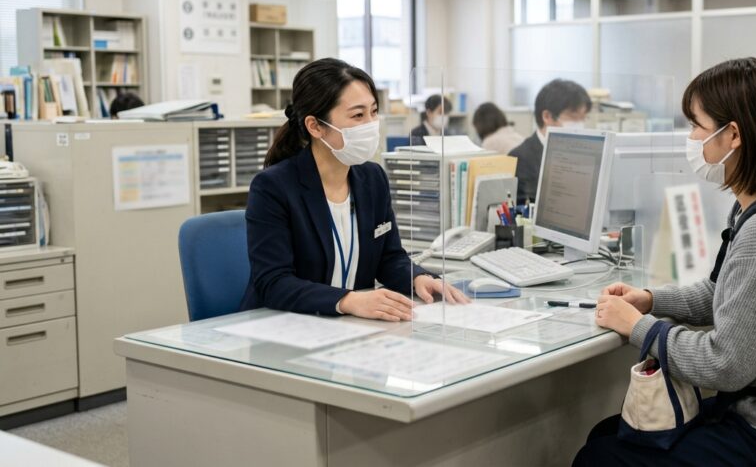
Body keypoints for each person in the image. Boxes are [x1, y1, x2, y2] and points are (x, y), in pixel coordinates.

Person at [576, 58, 756, 466]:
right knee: (607, 434)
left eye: (696, 127)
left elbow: (724, 364)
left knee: (602, 455)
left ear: (733, 135)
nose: (690, 139)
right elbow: (724, 293)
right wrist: (651, 300)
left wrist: (639, 328)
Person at [239, 58, 467, 320]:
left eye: (373, 112)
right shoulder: (273, 186)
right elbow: (273, 283)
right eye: (358, 115)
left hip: (348, 326)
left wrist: (417, 278)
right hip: (283, 326)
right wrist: (347, 300)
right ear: (315, 126)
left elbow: (389, 258)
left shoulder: (372, 178)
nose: (370, 124)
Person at [508, 79, 592, 203]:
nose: (579, 124)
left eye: (583, 118)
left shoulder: (581, 154)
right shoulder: (519, 158)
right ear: (547, 116)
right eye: (573, 117)